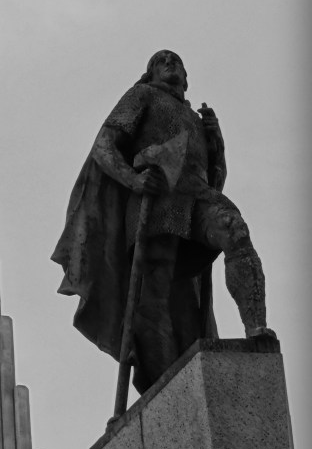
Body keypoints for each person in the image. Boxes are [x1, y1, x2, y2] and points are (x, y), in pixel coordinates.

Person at [52, 49, 274, 393]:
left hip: (197, 195)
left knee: (235, 231)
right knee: (156, 296)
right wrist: (133, 179)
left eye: (176, 61)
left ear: (186, 76)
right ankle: (168, 384)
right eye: (161, 61)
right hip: (155, 201)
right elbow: (105, 145)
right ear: (151, 73)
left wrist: (217, 144)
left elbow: (215, 178)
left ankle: (257, 328)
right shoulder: (142, 95)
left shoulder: (197, 119)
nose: (170, 64)